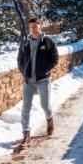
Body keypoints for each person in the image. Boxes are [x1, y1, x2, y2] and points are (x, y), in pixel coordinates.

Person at [17, 18, 59, 149]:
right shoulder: (25, 43)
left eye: (35, 26)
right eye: (31, 26)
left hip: (43, 80)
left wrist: (44, 70)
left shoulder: (47, 41)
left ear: (40, 27)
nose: (33, 28)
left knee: (45, 105)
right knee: (25, 108)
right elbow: (20, 59)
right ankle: (26, 135)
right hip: (28, 81)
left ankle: (50, 120)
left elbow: (55, 58)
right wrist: (24, 72)